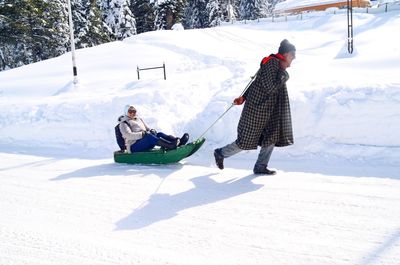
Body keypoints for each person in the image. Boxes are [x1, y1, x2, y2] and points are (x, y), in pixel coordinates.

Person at [214, 39, 296, 175]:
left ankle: (260, 166)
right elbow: (270, 88)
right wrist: (284, 75)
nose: (294, 59)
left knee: (271, 136)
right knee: (245, 140)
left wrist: (243, 97)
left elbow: (258, 83)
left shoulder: (276, 64)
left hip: (269, 110)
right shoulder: (272, 63)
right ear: (286, 54)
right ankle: (220, 153)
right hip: (257, 109)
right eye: (293, 55)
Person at [119, 105, 189, 153]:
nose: (132, 113)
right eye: (130, 111)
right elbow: (128, 135)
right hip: (133, 146)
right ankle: (170, 145)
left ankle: (177, 141)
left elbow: (146, 129)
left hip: (143, 142)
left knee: (159, 134)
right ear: (126, 112)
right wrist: (142, 134)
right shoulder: (124, 123)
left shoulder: (138, 119)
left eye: (134, 111)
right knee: (149, 137)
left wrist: (151, 130)